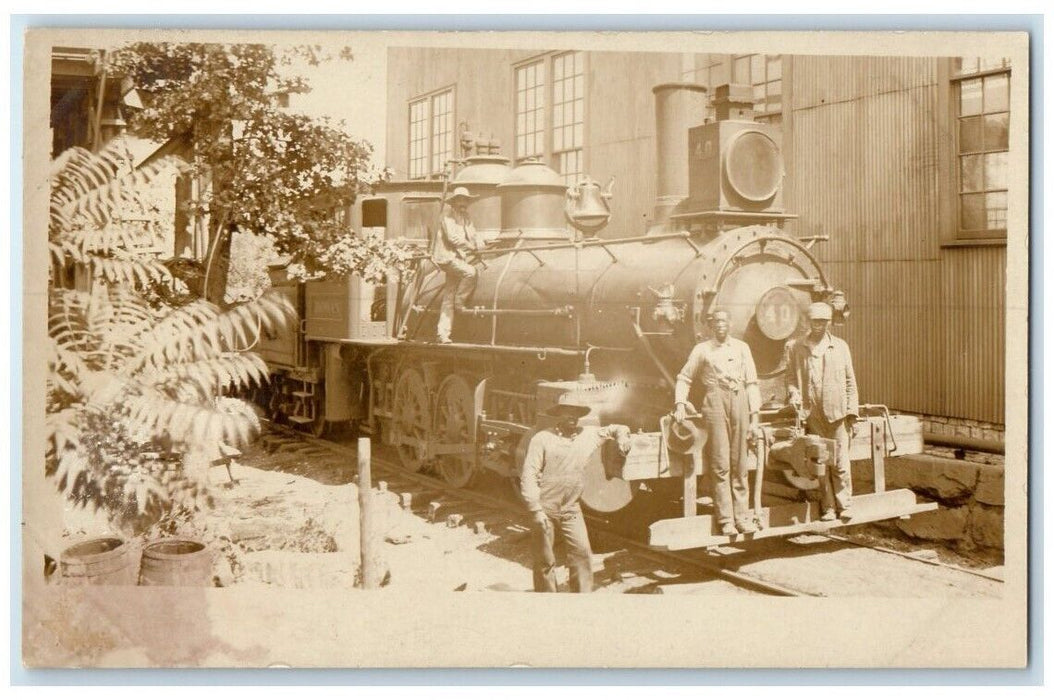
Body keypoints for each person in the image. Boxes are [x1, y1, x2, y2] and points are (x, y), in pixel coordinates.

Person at [519, 402, 631, 593]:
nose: (572, 416)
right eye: (567, 412)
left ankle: (581, 601)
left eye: (576, 413)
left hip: (571, 508)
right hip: (544, 508)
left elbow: (616, 428)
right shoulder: (542, 438)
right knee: (545, 561)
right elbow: (529, 474)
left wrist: (622, 437)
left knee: (582, 554)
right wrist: (535, 510)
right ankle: (546, 602)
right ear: (558, 414)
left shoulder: (588, 435)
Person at [673, 309, 761, 536]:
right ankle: (726, 520)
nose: (720, 325)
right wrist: (680, 403)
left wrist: (754, 418)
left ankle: (742, 518)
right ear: (710, 326)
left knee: (740, 463)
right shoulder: (702, 349)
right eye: (716, 322)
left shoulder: (742, 348)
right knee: (721, 463)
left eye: (724, 321)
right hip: (714, 401)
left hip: (739, 401)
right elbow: (684, 377)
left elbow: (751, 383)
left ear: (730, 323)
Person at [785, 301, 860, 522]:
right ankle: (828, 508)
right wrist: (793, 393)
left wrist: (852, 415)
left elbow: (850, 382)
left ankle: (845, 505)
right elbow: (790, 377)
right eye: (815, 321)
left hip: (836, 414)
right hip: (812, 414)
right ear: (808, 322)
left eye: (823, 322)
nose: (819, 326)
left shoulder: (840, 347)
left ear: (829, 324)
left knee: (840, 462)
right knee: (822, 463)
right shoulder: (797, 347)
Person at [432, 186, 479, 343]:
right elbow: (453, 238)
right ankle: (460, 304)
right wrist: (471, 247)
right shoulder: (447, 216)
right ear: (454, 202)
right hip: (446, 257)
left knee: (448, 297)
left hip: (458, 258)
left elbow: (474, 234)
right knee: (471, 273)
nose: (463, 203)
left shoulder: (467, 217)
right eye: (460, 200)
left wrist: (481, 244)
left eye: (465, 200)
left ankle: (442, 333)